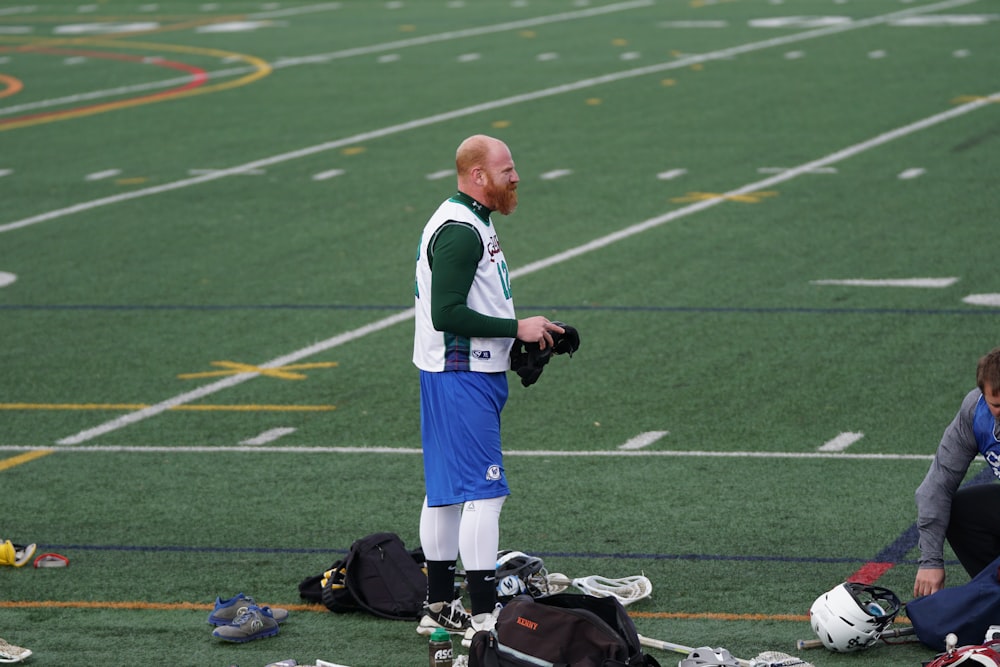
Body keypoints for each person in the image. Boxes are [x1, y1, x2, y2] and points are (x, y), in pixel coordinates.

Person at [412, 134, 563, 645]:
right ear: (478, 175)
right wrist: (515, 329)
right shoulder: (460, 231)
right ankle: (481, 616)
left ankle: (438, 606)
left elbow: (473, 302)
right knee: (484, 493)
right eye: (507, 169)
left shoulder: (470, 219)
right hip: (462, 376)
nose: (515, 176)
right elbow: (447, 311)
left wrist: (525, 336)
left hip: (453, 372)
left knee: (446, 494)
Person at [914, 346, 1000, 598]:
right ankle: (994, 595)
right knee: (961, 510)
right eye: (998, 405)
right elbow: (936, 486)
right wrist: (930, 561)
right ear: (983, 396)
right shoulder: (975, 412)